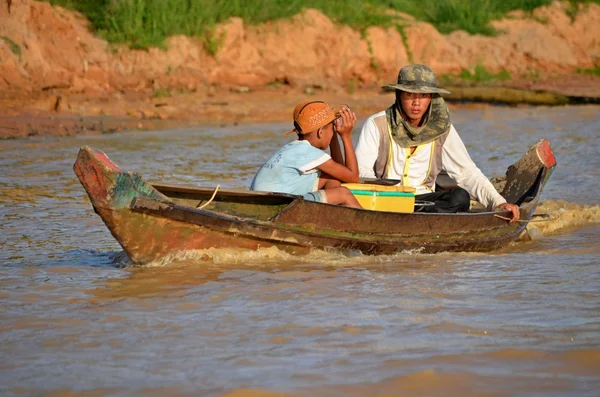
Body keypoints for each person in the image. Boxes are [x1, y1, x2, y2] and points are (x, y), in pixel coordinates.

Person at [355, 64, 520, 222]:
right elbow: (361, 169)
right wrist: (385, 193)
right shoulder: (377, 124)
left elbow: (466, 173)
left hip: (424, 204)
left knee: (460, 197)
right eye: (410, 95)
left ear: (431, 99)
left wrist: (497, 202)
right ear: (399, 95)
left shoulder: (441, 129)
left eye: (423, 96)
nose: (416, 103)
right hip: (388, 200)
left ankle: (423, 221)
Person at [250, 100, 362, 209]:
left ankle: (329, 215)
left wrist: (333, 139)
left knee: (332, 177)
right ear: (320, 131)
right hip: (277, 206)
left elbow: (341, 174)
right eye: (332, 128)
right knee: (343, 193)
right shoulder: (309, 153)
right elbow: (353, 177)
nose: (334, 131)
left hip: (265, 203)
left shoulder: (294, 147)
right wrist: (346, 136)